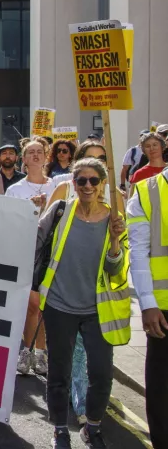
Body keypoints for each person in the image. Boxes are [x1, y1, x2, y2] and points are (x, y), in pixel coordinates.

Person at [35, 158, 130, 449]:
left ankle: (93, 427)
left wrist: (115, 242)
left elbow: (116, 270)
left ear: (102, 184)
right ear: (73, 185)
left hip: (97, 310)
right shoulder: (61, 211)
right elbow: (35, 241)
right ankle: (60, 429)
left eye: (93, 180)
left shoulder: (114, 219)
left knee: (101, 373)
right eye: (81, 181)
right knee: (59, 372)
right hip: (59, 306)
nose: (87, 186)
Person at [126, 161, 168, 449]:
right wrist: (147, 303)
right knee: (162, 387)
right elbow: (138, 253)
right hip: (163, 308)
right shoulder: (146, 191)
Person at [6, 141, 57, 376]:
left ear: (46, 157)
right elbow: (9, 219)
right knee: (31, 305)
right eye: (30, 153)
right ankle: (26, 350)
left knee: (45, 304)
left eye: (40, 152)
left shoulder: (59, 185)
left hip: (53, 251)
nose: (35, 156)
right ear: (23, 160)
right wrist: (29, 208)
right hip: (27, 249)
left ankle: (41, 352)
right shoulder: (15, 190)